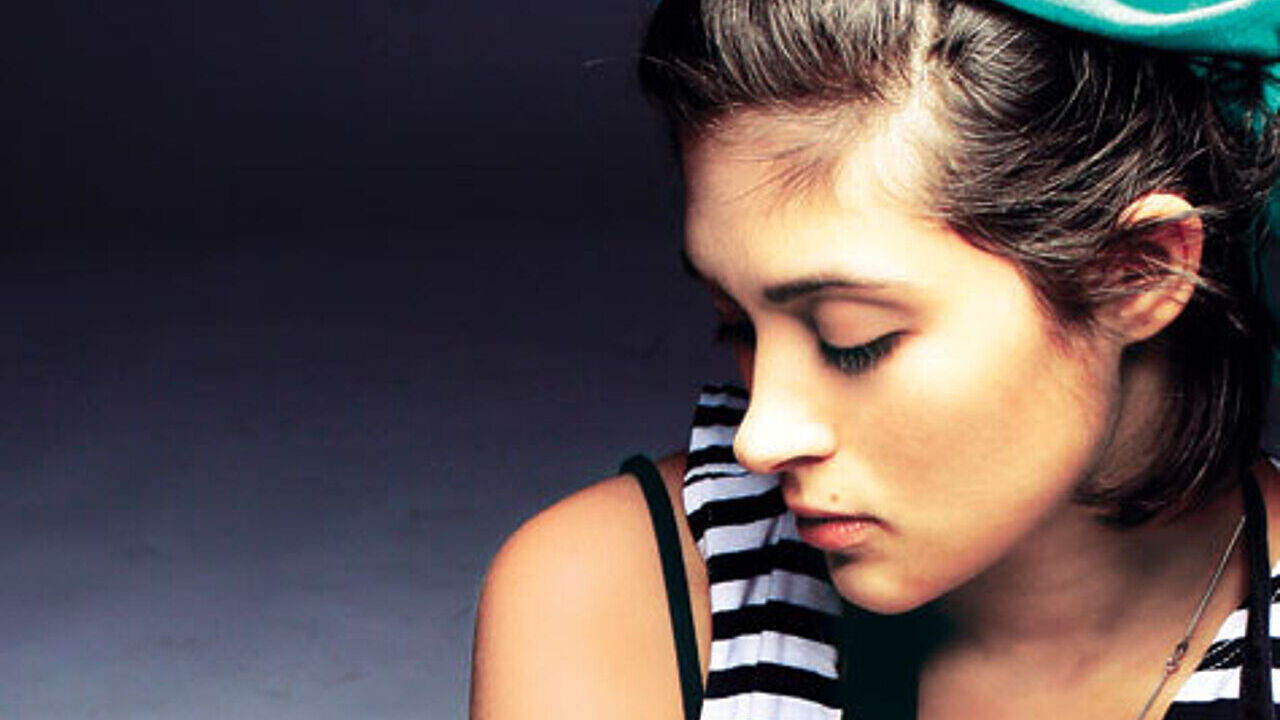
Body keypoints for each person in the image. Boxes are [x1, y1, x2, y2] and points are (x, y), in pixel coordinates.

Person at [470, 0, 1280, 718]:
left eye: (851, 339)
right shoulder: (610, 599)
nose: (761, 436)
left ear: (1137, 273)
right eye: (737, 326)